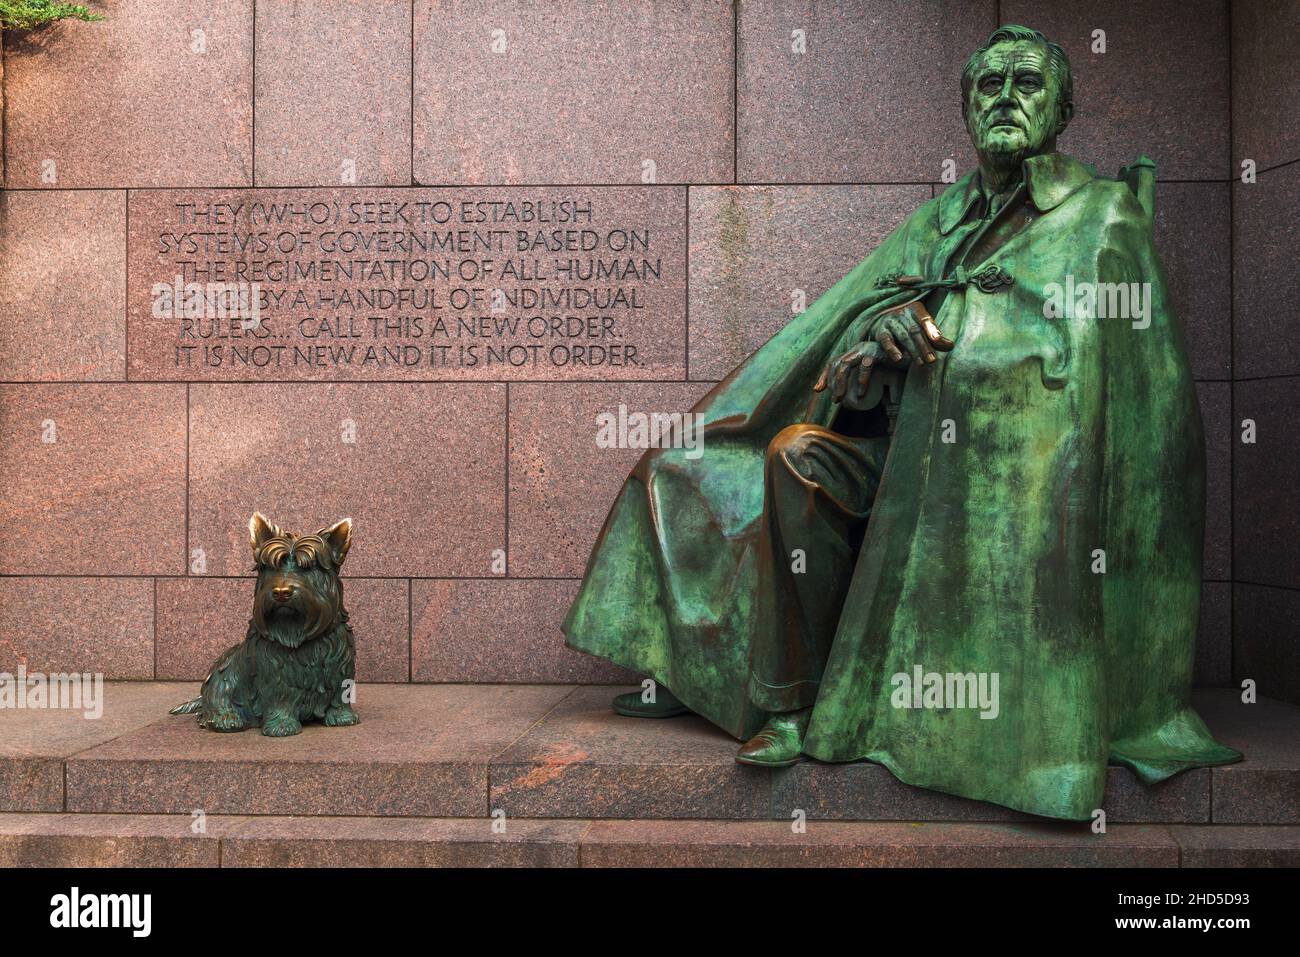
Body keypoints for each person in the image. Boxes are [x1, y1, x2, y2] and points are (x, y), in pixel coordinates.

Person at [562, 24, 1240, 820]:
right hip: (896, 458)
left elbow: (1110, 386)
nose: (1008, 99)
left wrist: (958, 352)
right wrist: (872, 345)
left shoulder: (1102, 215)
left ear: (1061, 108)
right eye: (990, 86)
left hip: (1011, 481)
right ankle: (776, 697)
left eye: (1027, 84)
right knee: (769, 458)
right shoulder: (942, 217)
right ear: (966, 109)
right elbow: (856, 322)